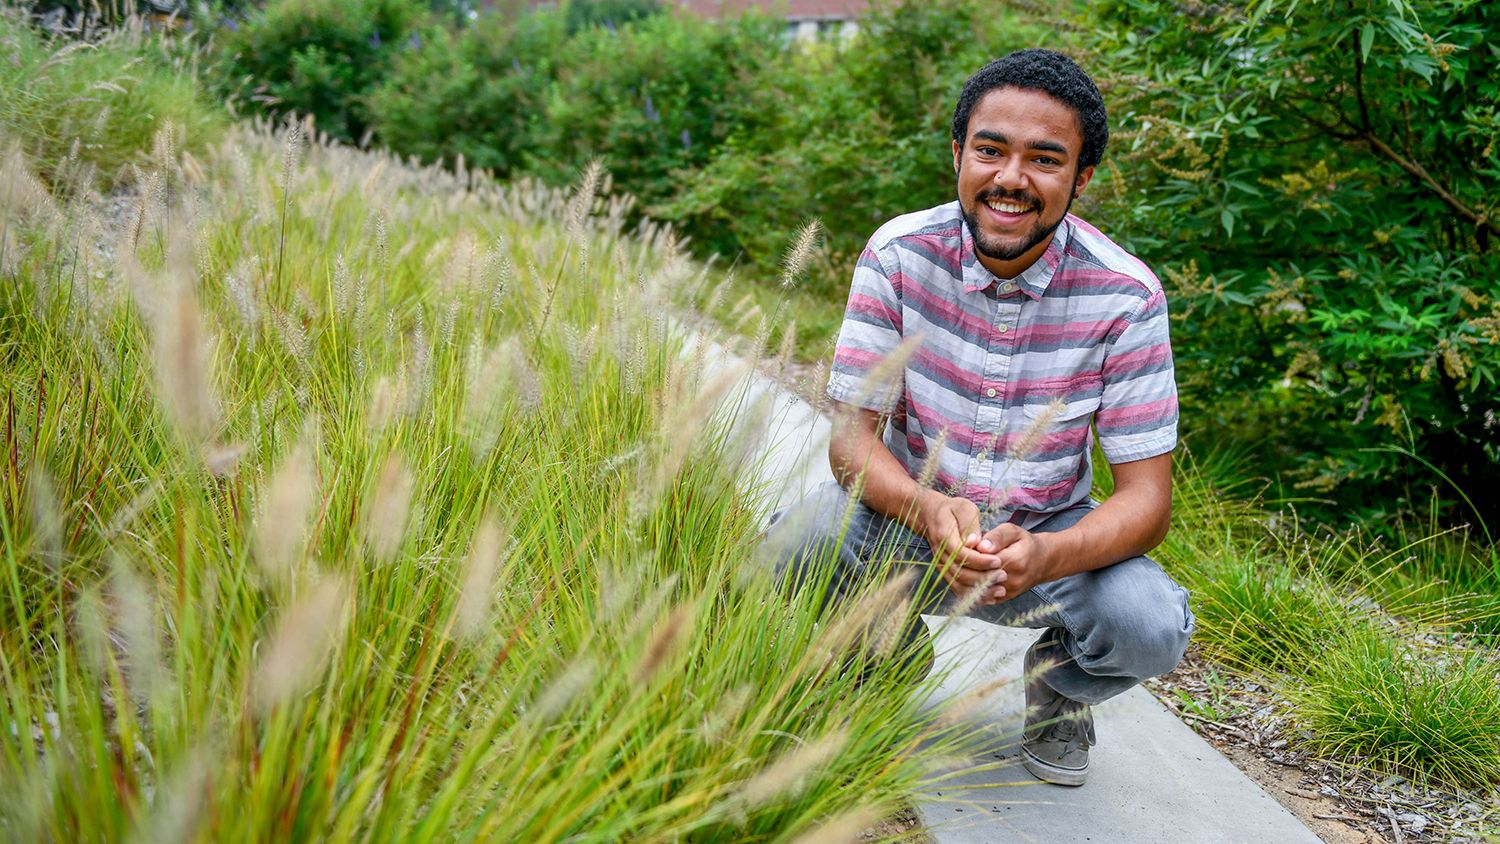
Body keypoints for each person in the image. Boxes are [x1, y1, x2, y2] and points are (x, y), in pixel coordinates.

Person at [764, 49, 1194, 787]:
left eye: (1045, 159)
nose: (1011, 178)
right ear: (958, 154)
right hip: (906, 523)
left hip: (1049, 546)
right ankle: (884, 650)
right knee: (785, 554)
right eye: (990, 150)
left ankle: (1058, 685)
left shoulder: (1128, 296)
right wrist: (925, 505)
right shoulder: (897, 256)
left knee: (1149, 627)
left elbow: (1148, 501)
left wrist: (1050, 555)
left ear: (1081, 179)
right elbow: (851, 439)